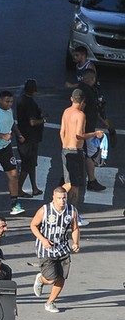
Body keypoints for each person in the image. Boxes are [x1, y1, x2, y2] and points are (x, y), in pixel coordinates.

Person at [30, 187, 81, 313]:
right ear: (53, 198)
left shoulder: (71, 211)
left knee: (62, 277)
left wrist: (75, 242)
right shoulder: (45, 210)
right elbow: (33, 225)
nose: (62, 201)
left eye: (64, 198)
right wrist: (43, 240)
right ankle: (41, 279)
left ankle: (50, 302)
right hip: (46, 250)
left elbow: (74, 228)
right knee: (51, 278)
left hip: (63, 248)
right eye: (59, 198)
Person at [60, 88, 101, 227]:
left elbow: (62, 132)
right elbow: (79, 135)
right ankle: (73, 215)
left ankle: (67, 211)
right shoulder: (80, 115)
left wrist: (65, 144)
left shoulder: (66, 111)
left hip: (65, 149)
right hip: (75, 151)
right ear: (83, 101)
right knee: (75, 185)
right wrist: (95, 134)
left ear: (72, 99)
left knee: (70, 182)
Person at [0, 91, 25, 216]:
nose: (10, 104)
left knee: (13, 174)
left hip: (5, 148)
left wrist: (18, 134)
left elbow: (12, 123)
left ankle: (15, 204)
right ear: (0, 100)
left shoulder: (9, 111)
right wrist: (2, 136)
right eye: (7, 101)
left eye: (11, 101)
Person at [77, 69, 108, 192]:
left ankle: (67, 179)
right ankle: (91, 180)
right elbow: (82, 109)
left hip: (85, 128)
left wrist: (102, 121)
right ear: (92, 79)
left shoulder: (80, 90)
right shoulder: (88, 93)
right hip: (86, 129)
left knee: (84, 153)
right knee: (90, 154)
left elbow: (90, 110)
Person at [16, 79, 46, 198]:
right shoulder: (30, 104)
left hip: (25, 136)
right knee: (27, 164)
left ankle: (34, 187)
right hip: (29, 138)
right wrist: (43, 120)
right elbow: (32, 122)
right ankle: (18, 188)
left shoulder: (21, 100)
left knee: (31, 164)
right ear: (35, 90)